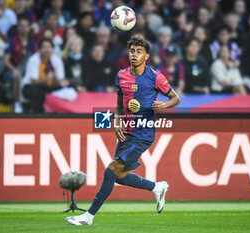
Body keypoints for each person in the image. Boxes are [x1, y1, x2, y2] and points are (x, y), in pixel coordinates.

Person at [65, 34, 180, 226]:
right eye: (132, 51)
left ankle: (88, 216)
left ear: (146, 56)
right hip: (126, 132)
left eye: (139, 51)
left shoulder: (155, 77)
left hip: (143, 133)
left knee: (110, 171)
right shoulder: (121, 75)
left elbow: (176, 98)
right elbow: (119, 104)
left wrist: (164, 105)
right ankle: (156, 187)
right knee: (119, 176)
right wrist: (117, 122)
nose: (134, 54)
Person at [21, 38, 71, 113]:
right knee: (38, 93)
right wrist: (46, 79)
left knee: (70, 91)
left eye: (49, 47)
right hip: (31, 86)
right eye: (44, 47)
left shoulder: (57, 60)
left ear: (53, 49)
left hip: (50, 85)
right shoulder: (33, 60)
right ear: (39, 49)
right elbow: (33, 81)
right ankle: (38, 116)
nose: (47, 50)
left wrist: (62, 82)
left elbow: (60, 78)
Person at [3, 14, 37, 113]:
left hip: (28, 70)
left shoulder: (32, 42)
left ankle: (33, 105)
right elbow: (5, 60)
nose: (24, 28)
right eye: (21, 26)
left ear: (29, 28)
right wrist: (14, 70)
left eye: (26, 26)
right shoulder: (12, 40)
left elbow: (35, 59)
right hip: (12, 70)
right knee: (17, 76)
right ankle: (17, 102)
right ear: (18, 28)